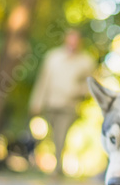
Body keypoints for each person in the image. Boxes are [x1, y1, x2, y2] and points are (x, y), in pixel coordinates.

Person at [29, 29, 96, 175]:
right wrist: (36, 102)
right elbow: (43, 81)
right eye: (70, 39)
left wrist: (78, 90)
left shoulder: (86, 61)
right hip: (51, 103)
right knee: (53, 135)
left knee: (61, 134)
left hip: (69, 105)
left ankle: (57, 168)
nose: (72, 43)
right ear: (65, 40)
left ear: (79, 42)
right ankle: (54, 163)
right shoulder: (53, 57)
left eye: (75, 40)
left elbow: (90, 84)